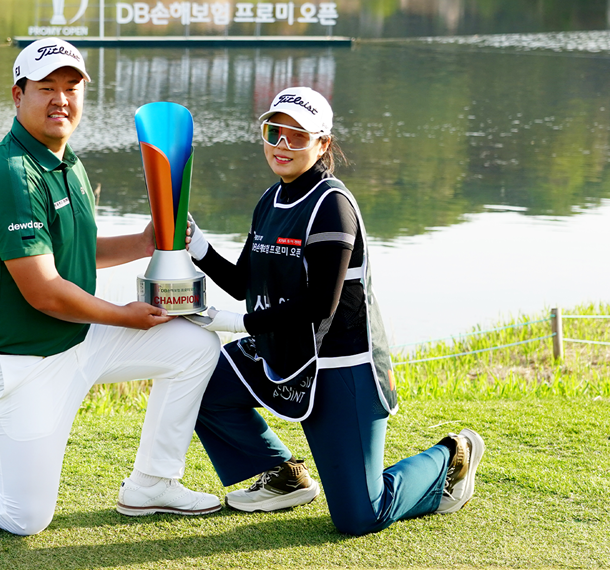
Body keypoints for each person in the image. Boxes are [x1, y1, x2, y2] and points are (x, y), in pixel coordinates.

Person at [0, 38, 223, 535]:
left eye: (72, 88)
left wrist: (143, 243)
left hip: (77, 339)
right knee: (25, 517)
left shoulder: (66, 161)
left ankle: (153, 484)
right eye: (46, 88)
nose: (61, 99)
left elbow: (74, 251)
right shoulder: (12, 174)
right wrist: (124, 315)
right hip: (22, 362)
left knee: (194, 346)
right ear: (18, 96)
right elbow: (45, 291)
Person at [187, 87, 486, 535]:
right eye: (274, 132)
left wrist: (235, 323)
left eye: (297, 136)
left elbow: (318, 305)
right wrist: (197, 246)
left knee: (360, 516)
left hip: (342, 365)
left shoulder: (332, 205)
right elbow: (244, 283)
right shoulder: (270, 201)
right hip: (283, 347)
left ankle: (451, 456)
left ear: (323, 143)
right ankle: (286, 477)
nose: (282, 145)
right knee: (198, 383)